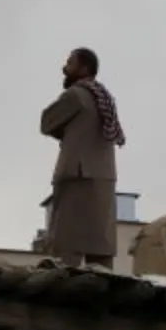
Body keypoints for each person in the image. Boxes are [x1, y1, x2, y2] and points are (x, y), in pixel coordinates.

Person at [39, 46, 126, 267]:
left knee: (68, 249)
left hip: (76, 176)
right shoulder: (105, 98)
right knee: (101, 251)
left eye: (70, 64)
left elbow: (46, 122)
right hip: (104, 179)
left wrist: (65, 133)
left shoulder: (76, 95)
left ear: (84, 68)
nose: (64, 68)